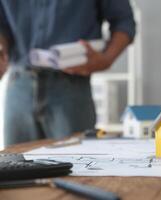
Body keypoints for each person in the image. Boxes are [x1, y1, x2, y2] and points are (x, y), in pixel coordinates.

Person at [0, 0, 135, 146]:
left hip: (71, 86)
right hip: (18, 84)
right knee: (13, 164)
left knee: (80, 163)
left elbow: (124, 21)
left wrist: (106, 59)